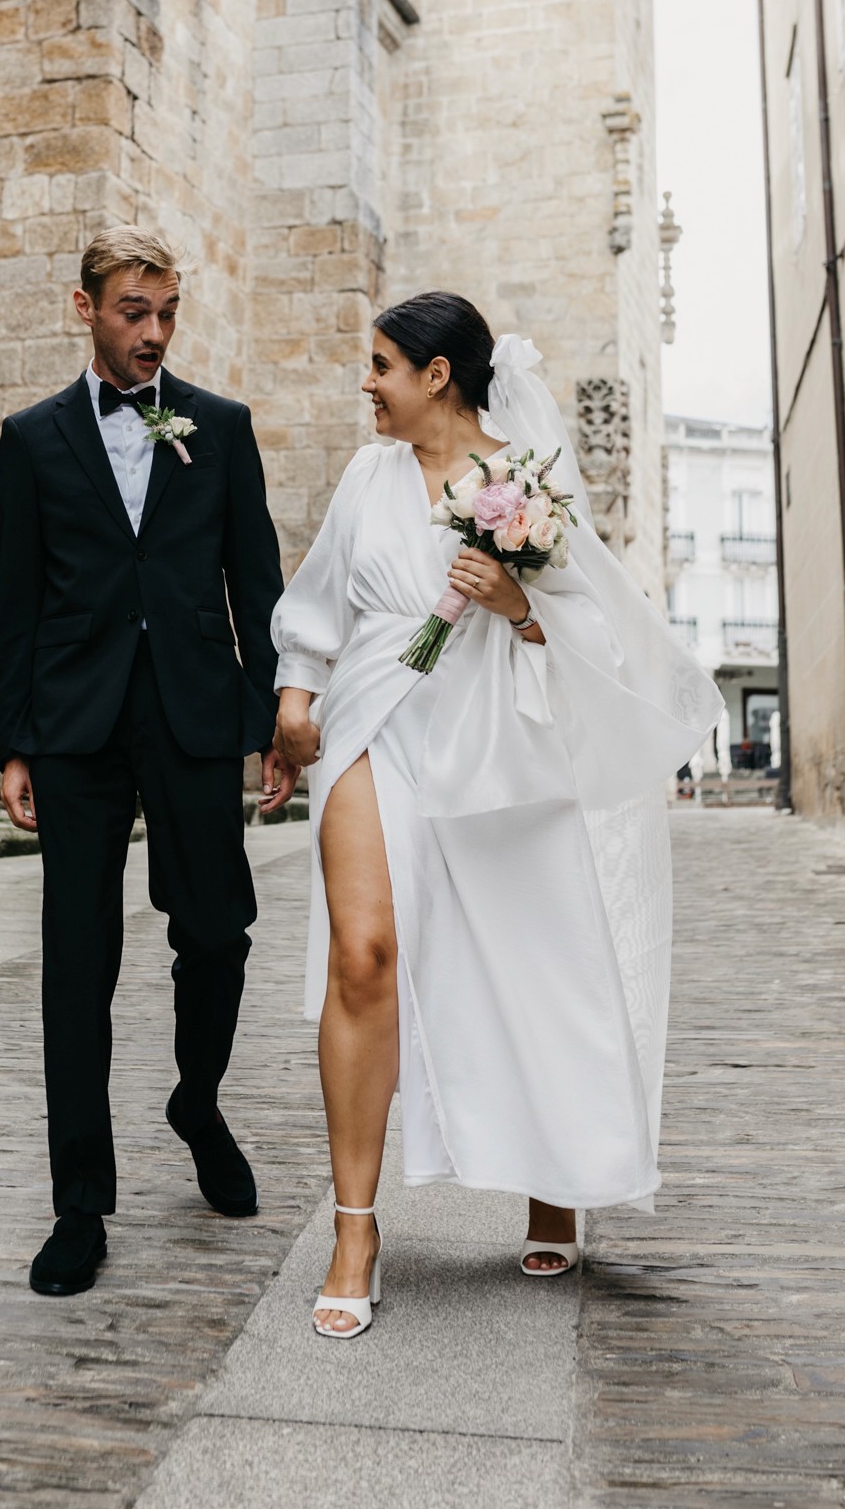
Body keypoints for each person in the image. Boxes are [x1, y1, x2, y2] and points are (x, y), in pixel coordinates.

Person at [271, 294, 721, 1338]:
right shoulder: (364, 476)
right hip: (375, 719)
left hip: (498, 737)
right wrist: (296, 693)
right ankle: (354, 1228)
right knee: (363, 954)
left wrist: (515, 603)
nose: (367, 381)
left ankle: (554, 1175)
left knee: (532, 958)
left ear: (437, 375)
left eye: (380, 363)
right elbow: (318, 602)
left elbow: (588, 636)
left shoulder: (525, 479)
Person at [0, 226, 298, 1296]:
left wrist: (269, 716)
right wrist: (12, 739)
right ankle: (81, 1201)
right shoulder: (30, 440)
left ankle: (195, 1098)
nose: (154, 333)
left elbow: (254, 584)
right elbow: (18, 601)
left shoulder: (219, 427)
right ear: (85, 308)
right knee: (78, 962)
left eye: (166, 311)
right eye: (133, 311)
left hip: (193, 716)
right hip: (73, 726)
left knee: (215, 929)